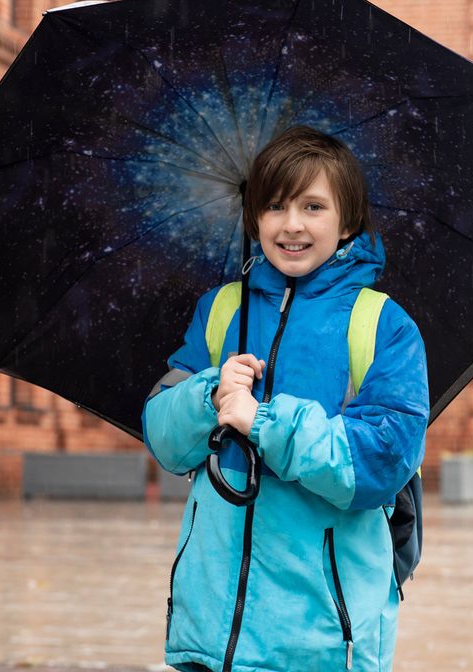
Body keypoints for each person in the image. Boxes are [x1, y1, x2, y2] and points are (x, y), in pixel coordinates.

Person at [143, 126, 429, 672]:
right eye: (274, 205)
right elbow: (163, 438)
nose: (292, 224)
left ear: (347, 221)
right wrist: (209, 395)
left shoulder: (380, 325)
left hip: (321, 639)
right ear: (253, 218)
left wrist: (266, 422)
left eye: (313, 206)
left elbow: (381, 462)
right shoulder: (221, 309)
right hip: (210, 632)